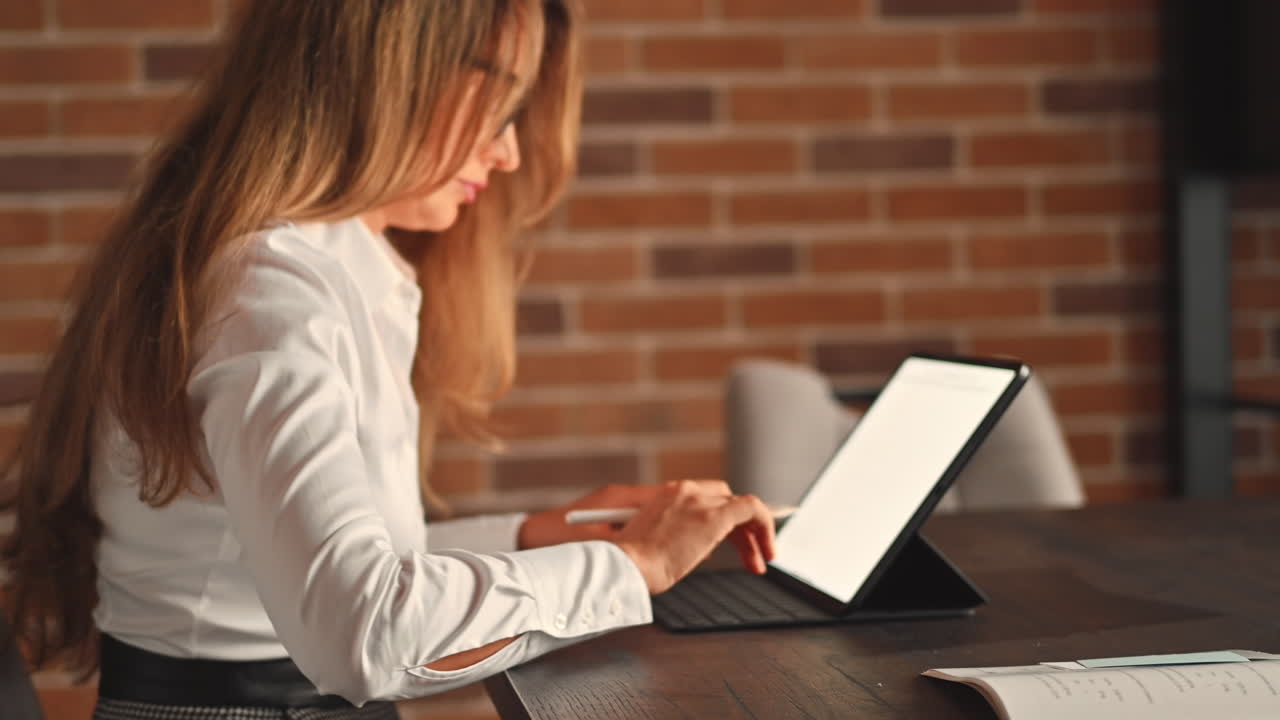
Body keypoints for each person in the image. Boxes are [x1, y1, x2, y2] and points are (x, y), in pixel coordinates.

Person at [0, 2, 775, 718]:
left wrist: (533, 537)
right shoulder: (273, 294)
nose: (506, 152)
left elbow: (321, 575)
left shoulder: (322, 270)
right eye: (500, 107)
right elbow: (363, 628)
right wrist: (632, 567)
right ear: (391, 77)